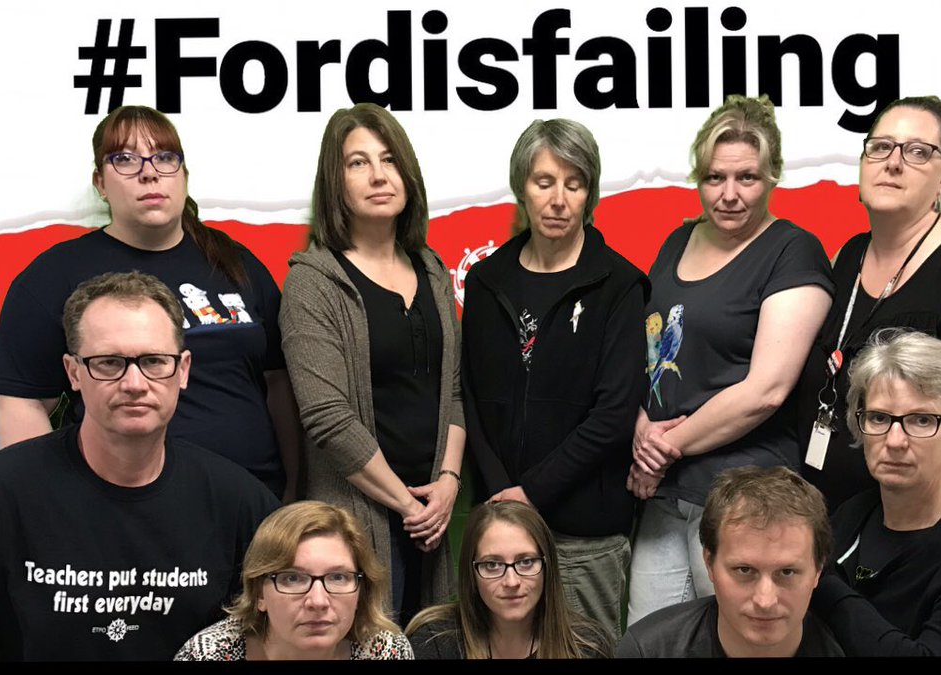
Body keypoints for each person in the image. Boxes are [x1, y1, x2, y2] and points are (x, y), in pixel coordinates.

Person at [0, 105, 301, 500]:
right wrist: (49, 505)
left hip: (257, 502)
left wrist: (294, 489)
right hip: (124, 509)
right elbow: (23, 401)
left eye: (165, 157)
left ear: (184, 175)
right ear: (100, 183)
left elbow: (279, 383)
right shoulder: (55, 275)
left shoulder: (234, 262)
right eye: (125, 159)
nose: (149, 172)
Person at [796, 96, 941, 584]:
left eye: (918, 151)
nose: (894, 162)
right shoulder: (851, 253)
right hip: (842, 522)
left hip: (918, 540)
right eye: (881, 147)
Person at [0, 272, 280, 661]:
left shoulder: (239, 503)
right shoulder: (2, 492)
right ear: (73, 373)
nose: (134, 383)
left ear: (183, 370)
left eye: (154, 361)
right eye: (109, 363)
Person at [625, 95, 834, 624]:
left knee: (741, 637)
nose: (730, 194)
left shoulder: (793, 251)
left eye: (748, 178)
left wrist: (661, 448)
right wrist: (640, 427)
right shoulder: (678, 239)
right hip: (664, 491)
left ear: (773, 177)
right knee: (649, 640)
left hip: (745, 495)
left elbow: (766, 390)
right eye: (715, 177)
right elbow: (649, 353)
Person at [459, 118, 648, 638]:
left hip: (584, 534)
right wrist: (503, 495)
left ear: (590, 193)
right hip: (499, 528)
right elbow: (469, 396)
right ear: (522, 187)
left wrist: (530, 493)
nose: (559, 200)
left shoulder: (620, 284)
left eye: (574, 183)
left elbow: (613, 415)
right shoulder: (486, 281)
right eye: (544, 182)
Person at [279, 103, 464, 626]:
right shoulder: (313, 282)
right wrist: (408, 506)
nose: (379, 175)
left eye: (389, 159)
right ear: (335, 182)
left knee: (429, 643)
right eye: (358, 163)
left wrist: (448, 482)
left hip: (431, 516)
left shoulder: (432, 270)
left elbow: (452, 392)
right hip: (358, 519)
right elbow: (327, 418)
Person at [809, 329, 941, 655]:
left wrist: (820, 579)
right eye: (879, 418)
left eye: (921, 420)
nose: (895, 441)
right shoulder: (852, 514)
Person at [618, 465, 842, 657]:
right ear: (709, 564)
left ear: (818, 570)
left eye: (787, 572)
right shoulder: (649, 650)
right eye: (744, 570)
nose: (765, 601)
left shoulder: (848, 648)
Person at [175, 501, 413, 660]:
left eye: (338, 577)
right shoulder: (207, 654)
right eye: (293, 578)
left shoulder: (386, 650)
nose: (318, 601)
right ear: (259, 594)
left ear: (361, 591)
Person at [406, 501, 612, 659]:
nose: (512, 582)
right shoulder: (434, 641)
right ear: (472, 573)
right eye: (492, 565)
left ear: (547, 568)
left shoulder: (586, 646)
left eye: (526, 562)